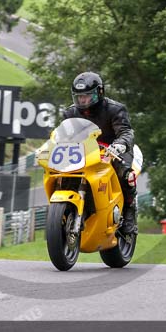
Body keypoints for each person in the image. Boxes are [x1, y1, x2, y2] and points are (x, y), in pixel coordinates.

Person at [62, 71, 138, 235]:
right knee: (62, 174)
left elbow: (126, 132)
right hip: (85, 152)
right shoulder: (70, 113)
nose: (82, 100)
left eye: (87, 96)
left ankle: (129, 211)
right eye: (79, 97)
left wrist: (119, 145)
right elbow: (61, 136)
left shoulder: (115, 109)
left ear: (99, 92)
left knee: (125, 175)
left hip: (113, 150)